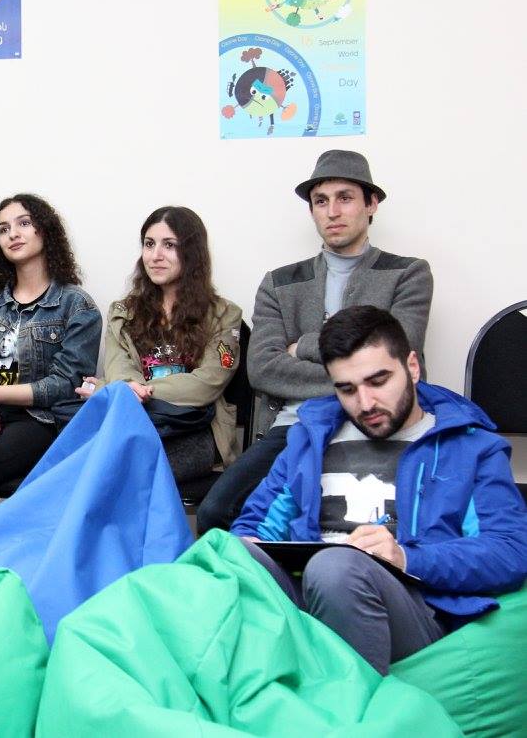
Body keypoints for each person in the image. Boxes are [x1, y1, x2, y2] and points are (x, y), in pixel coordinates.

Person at [232, 306, 527, 675]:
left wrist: (406, 558)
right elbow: (254, 527)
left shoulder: (470, 448)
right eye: (347, 389)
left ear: (412, 367)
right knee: (225, 555)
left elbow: (509, 553)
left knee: (334, 567)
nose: (366, 403)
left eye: (378, 381)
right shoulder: (309, 439)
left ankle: (353, 702)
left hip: (411, 609)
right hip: (307, 598)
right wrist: (240, 551)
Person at [197, 150, 434, 533]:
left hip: (378, 421)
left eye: (345, 198)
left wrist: (303, 347)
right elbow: (264, 369)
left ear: (371, 204)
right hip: (296, 426)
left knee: (372, 522)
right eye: (321, 201)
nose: (332, 212)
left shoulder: (407, 274)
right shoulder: (279, 283)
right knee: (217, 511)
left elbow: (395, 358)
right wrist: (357, 368)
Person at [0, 193, 101, 538]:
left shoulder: (76, 306)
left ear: (46, 231)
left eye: (24, 223)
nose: (12, 233)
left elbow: (65, 385)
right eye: (3, 229)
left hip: (42, 421)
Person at [77, 206, 242, 484]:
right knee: (92, 467)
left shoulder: (225, 315)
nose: (155, 256)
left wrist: (114, 390)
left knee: (127, 475)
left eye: (169, 245)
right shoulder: (123, 312)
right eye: (149, 244)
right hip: (135, 423)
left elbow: (206, 384)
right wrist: (124, 388)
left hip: (194, 429)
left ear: (192, 253)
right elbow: (119, 368)